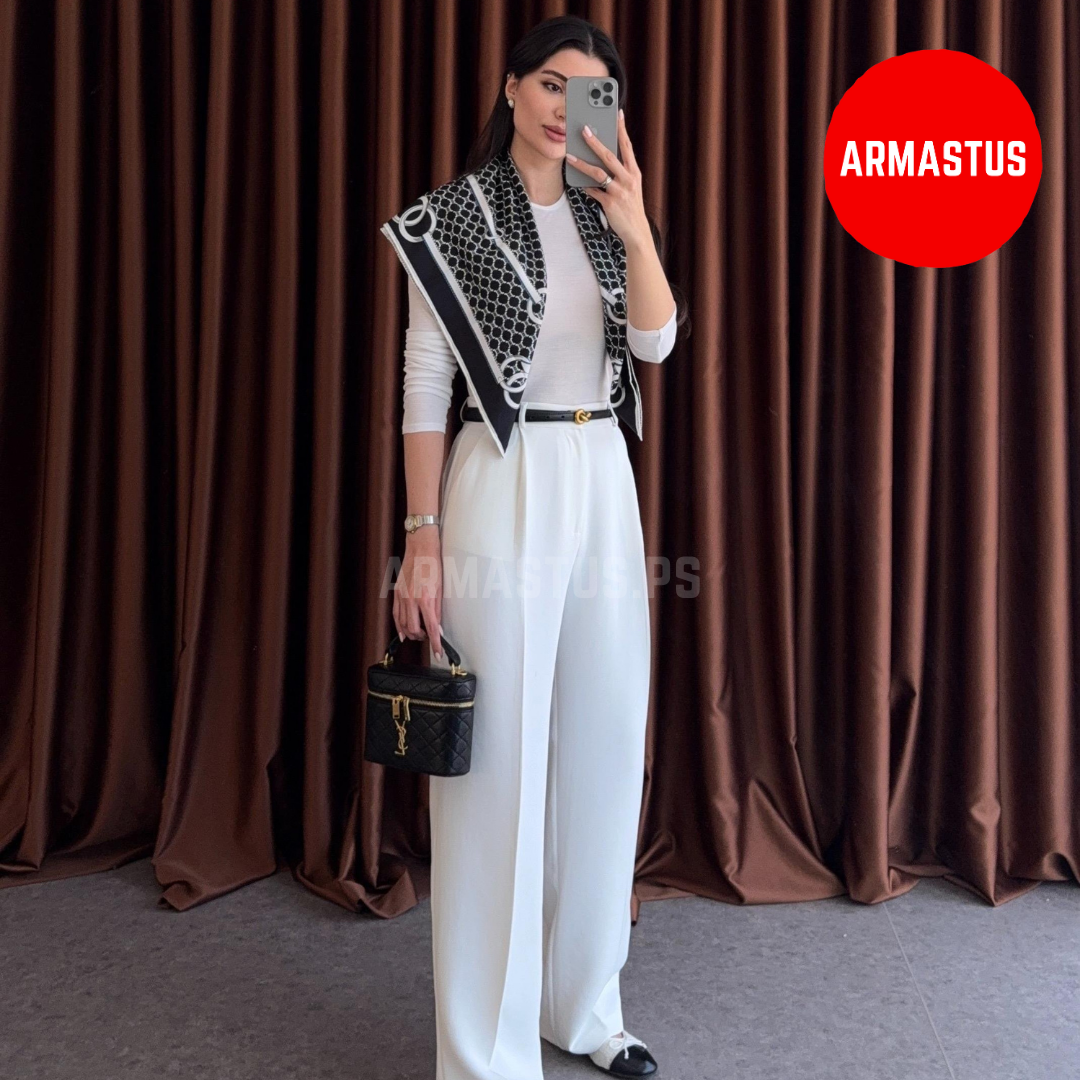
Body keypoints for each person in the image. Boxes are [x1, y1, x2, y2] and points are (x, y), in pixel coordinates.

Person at [379, 14, 686, 1080]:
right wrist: (421, 540)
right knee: (496, 770)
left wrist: (636, 223)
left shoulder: (609, 220)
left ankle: (585, 1010)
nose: (565, 107)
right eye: (551, 82)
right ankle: (486, 1052)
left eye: (590, 91)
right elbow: (425, 383)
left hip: (601, 473)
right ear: (511, 89)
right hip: (499, 476)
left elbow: (656, 342)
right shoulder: (452, 221)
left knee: (606, 744)